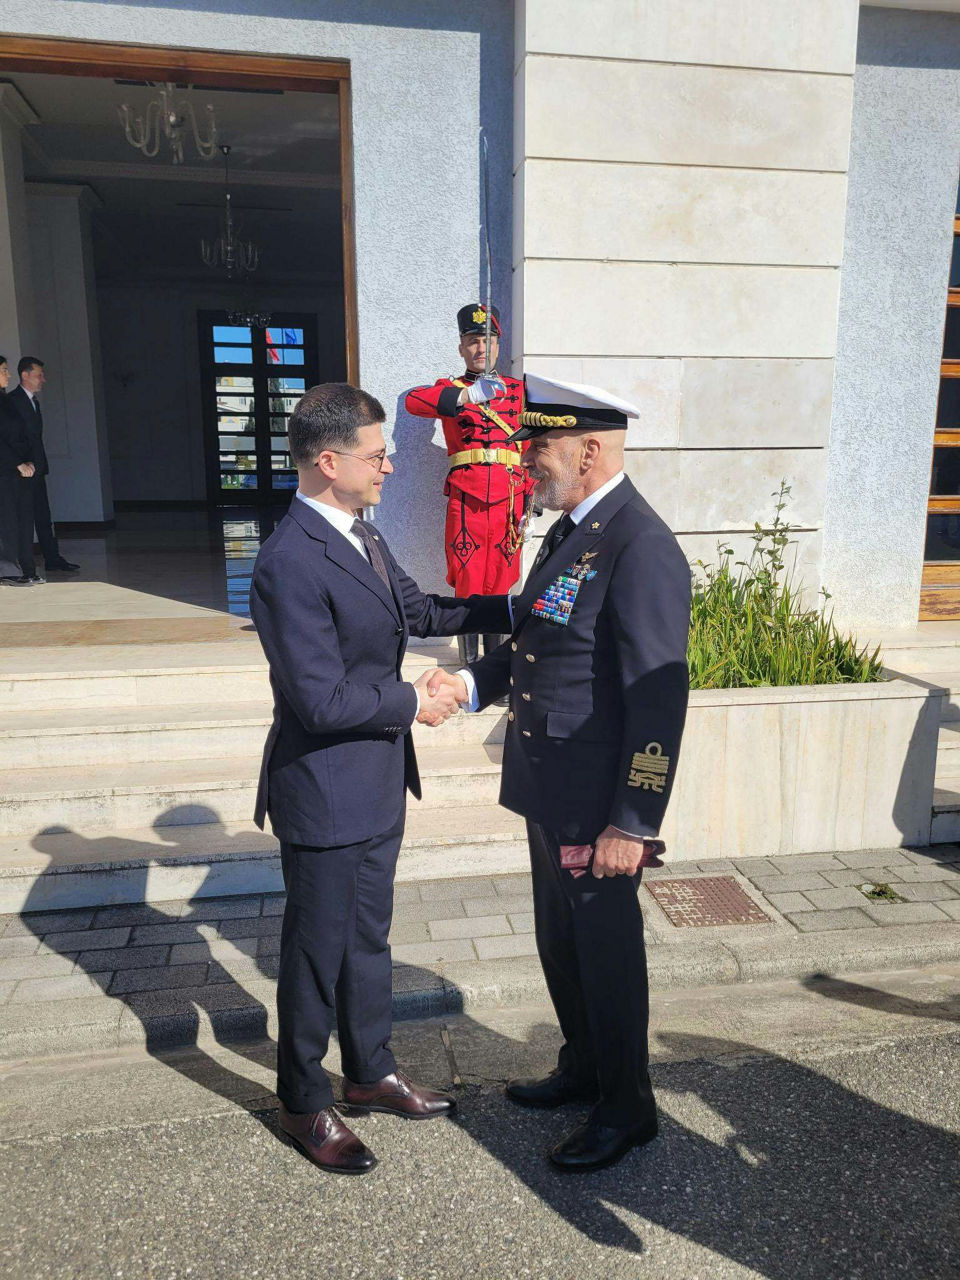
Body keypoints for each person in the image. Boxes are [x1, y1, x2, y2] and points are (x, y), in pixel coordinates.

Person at [249, 382, 512, 1177]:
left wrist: (523, 608)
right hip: (325, 786)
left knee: (368, 941)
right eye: (377, 454)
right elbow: (319, 698)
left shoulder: (361, 535)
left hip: (374, 777)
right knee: (314, 951)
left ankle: (368, 1073)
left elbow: (422, 613)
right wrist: (412, 701)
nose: (392, 466)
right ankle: (302, 1099)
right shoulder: (290, 559)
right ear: (329, 462)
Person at [434, 373, 691, 1173]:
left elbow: (659, 703)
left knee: (607, 950)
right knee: (561, 940)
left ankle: (628, 1106)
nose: (524, 463)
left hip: (599, 803)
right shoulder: (572, 530)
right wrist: (473, 686)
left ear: (588, 449)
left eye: (537, 447)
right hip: (550, 783)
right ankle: (584, 1066)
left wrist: (634, 822)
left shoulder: (641, 545)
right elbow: (538, 641)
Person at [404, 304, 534, 666]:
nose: (481, 348)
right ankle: (470, 666)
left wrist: (533, 493)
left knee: (502, 578)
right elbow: (414, 402)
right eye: (472, 340)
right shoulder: (451, 389)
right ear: (461, 347)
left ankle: (495, 664)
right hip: (468, 498)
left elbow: (537, 441)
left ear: (498, 346)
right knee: (467, 577)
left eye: (487, 340)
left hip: (511, 500)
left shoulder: (519, 390)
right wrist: (467, 397)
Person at [5, 357, 79, 575]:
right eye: (39, 375)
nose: (43, 380)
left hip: (36, 468)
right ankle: (23, 562)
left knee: (43, 515)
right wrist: (21, 464)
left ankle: (52, 557)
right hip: (23, 470)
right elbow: (15, 438)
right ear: (25, 375)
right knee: (25, 517)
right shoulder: (12, 401)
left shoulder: (33, 401)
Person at [0, 355, 38, 583]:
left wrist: (30, 461)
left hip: (19, 472)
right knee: (7, 522)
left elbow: (22, 435)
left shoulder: (7, 401)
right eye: (4, 370)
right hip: (5, 471)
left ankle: (26, 569)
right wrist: (17, 463)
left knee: (23, 520)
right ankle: (7, 569)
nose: (8, 374)